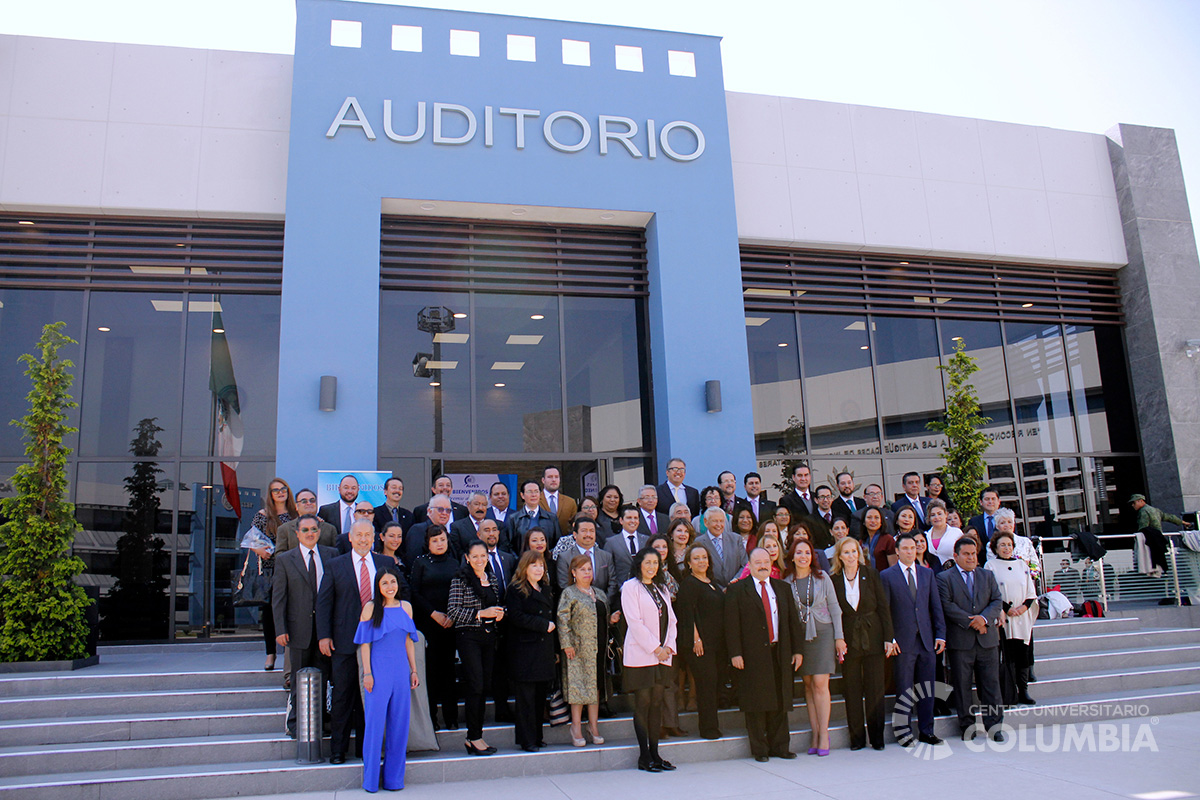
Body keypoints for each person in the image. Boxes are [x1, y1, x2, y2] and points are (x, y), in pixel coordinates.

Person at [316, 519, 406, 764]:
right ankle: (338, 750)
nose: (364, 539)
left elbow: (398, 598)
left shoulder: (386, 563)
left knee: (372, 698)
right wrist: (324, 635)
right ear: (350, 538)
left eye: (368, 534)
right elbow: (324, 603)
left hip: (379, 643)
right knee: (343, 696)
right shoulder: (335, 565)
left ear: (375, 537)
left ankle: (367, 749)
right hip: (344, 642)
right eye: (359, 535)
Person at [725, 547, 803, 762]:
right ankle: (760, 749)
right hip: (751, 655)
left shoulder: (782, 588)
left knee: (780, 699)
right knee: (756, 702)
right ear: (749, 565)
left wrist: (797, 650)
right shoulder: (738, 590)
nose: (763, 565)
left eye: (766, 561)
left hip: (780, 652)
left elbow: (793, 622)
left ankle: (780, 747)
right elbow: (731, 626)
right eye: (757, 562)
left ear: (772, 563)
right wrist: (735, 653)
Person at [272, 513, 336, 737]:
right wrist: (280, 629)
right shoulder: (285, 559)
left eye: (314, 530)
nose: (310, 533)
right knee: (299, 679)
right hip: (298, 630)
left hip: (325, 632)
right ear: (297, 533)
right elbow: (278, 598)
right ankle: (296, 723)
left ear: (319, 532)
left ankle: (320, 721)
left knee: (323, 678)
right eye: (305, 530)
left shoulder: (331, 556)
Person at [355, 570, 420, 793]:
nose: (390, 586)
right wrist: (367, 673)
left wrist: (413, 670)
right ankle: (371, 781)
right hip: (378, 673)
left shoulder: (406, 607)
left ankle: (394, 780)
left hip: (401, 672)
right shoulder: (371, 608)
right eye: (385, 582)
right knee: (374, 726)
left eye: (393, 582)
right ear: (378, 586)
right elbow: (364, 644)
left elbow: (409, 641)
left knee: (399, 726)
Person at [880, 533, 946, 746]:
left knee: (927, 687)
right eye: (906, 548)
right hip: (902, 641)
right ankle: (903, 732)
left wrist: (940, 634)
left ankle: (927, 731)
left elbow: (935, 606)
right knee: (904, 688)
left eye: (914, 547)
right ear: (897, 551)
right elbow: (885, 611)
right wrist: (889, 638)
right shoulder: (887, 575)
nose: (911, 551)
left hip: (926, 640)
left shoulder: (927, 574)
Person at [937, 537, 1005, 741]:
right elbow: (947, 605)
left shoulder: (987, 575)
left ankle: (994, 727)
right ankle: (967, 726)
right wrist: (971, 621)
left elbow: (996, 600)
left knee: (991, 685)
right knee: (962, 685)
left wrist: (983, 619)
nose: (971, 557)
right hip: (961, 641)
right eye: (966, 554)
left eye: (973, 554)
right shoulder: (944, 578)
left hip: (987, 639)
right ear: (956, 556)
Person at [830, 537, 894, 750]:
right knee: (852, 688)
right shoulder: (834, 578)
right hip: (848, 639)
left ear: (860, 554)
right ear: (839, 556)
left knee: (875, 688)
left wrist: (888, 638)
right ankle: (856, 739)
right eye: (846, 552)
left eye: (854, 551)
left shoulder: (871, 574)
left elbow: (884, 608)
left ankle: (877, 738)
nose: (851, 556)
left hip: (873, 635)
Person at [622, 547, 678, 772]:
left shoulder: (661, 588)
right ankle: (644, 757)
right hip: (641, 655)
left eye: (656, 563)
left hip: (662, 656)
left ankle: (656, 754)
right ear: (639, 564)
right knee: (643, 705)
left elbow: (672, 620)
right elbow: (634, 622)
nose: (652, 567)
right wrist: (656, 648)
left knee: (657, 705)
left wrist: (668, 647)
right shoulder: (630, 587)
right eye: (648, 562)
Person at [446, 541, 505, 755]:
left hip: (489, 637)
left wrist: (499, 613)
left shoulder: (493, 579)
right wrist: (481, 614)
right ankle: (473, 736)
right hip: (468, 636)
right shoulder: (459, 579)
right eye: (475, 556)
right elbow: (453, 611)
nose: (480, 560)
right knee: (475, 685)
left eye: (484, 556)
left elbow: (496, 604)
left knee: (484, 685)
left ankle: (476, 736)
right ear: (467, 558)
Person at [785, 537, 842, 756]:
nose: (803, 557)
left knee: (820, 683)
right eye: (799, 552)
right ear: (792, 556)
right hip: (800, 637)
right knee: (808, 685)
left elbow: (835, 608)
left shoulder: (822, 577)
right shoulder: (786, 580)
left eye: (807, 553)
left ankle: (824, 734)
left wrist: (840, 637)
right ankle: (815, 732)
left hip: (823, 633)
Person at [504, 551, 557, 752]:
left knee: (539, 697)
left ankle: (537, 736)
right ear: (524, 567)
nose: (538, 569)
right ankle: (527, 740)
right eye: (534, 565)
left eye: (541, 565)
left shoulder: (545, 588)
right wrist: (543, 624)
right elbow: (516, 617)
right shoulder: (516, 590)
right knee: (526, 698)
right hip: (524, 651)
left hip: (543, 650)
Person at [408, 524, 458, 731]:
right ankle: (432, 718)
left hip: (450, 624)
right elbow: (415, 593)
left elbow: (460, 591)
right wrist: (433, 614)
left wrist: (452, 616)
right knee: (431, 672)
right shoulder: (420, 563)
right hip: (428, 624)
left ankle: (452, 717)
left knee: (449, 671)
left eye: (442, 540)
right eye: (435, 540)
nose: (439, 544)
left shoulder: (456, 563)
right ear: (428, 543)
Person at [558, 553, 609, 747]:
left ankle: (593, 726)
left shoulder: (599, 593)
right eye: (582, 569)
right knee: (578, 688)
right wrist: (566, 644)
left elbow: (604, 614)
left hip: (598, 647)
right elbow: (563, 620)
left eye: (589, 569)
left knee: (595, 688)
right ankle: (576, 727)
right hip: (578, 649)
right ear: (573, 572)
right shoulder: (569, 593)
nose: (587, 573)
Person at [675, 544, 725, 739]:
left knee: (713, 684)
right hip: (700, 645)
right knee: (706, 685)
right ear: (688, 563)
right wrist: (696, 639)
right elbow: (687, 614)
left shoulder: (711, 582)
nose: (701, 561)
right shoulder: (689, 584)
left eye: (704, 557)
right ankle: (708, 728)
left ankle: (713, 725)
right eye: (696, 558)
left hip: (716, 644)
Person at [985, 529, 1038, 706]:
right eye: (1002, 545)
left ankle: (1023, 690)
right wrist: (1007, 608)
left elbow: (1031, 590)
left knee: (1023, 655)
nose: (1006, 548)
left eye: (1009, 544)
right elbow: (991, 591)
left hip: (1022, 617)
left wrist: (1023, 607)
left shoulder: (1022, 565)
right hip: (1004, 617)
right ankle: (1009, 692)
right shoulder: (990, 565)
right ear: (995, 547)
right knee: (1009, 656)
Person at [251, 477, 298, 671]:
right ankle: (271, 654)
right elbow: (251, 540)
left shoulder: (296, 514)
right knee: (269, 614)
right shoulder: (263, 515)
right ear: (270, 495)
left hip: (294, 569)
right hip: (271, 570)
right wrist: (259, 550)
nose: (280, 492)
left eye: (283, 489)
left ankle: (293, 654)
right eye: (276, 490)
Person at [1131, 492, 1194, 575]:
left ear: (1141, 501)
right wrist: (1184, 523)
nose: (1132, 505)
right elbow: (1170, 517)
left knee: (1151, 565)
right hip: (1159, 541)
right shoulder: (1155, 510)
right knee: (1165, 564)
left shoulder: (1143, 511)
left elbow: (1143, 528)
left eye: (1134, 502)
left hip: (1150, 543)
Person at [696, 506, 748, 587]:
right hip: (712, 592)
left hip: (736, 589)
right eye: (715, 521)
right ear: (706, 522)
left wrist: (734, 582)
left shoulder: (736, 539)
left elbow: (745, 565)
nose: (719, 525)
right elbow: (698, 571)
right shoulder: (698, 543)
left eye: (721, 521)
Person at [276, 488, 336, 553]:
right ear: (296, 506)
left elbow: (335, 555)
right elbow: (280, 555)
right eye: (304, 501)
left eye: (312, 500)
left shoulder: (330, 529)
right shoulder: (284, 529)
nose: (309, 503)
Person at [509, 479, 563, 549]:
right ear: (522, 495)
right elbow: (509, 545)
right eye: (529, 492)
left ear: (540, 494)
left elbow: (558, 543)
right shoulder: (514, 519)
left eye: (536, 491)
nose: (533, 495)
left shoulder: (551, 518)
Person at [604, 504, 649, 587]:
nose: (633, 521)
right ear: (621, 520)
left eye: (635, 518)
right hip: (620, 590)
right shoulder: (611, 542)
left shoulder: (646, 540)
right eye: (629, 518)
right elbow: (608, 570)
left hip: (644, 589)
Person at [407, 495, 455, 566]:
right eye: (440, 509)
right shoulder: (417, 530)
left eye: (448, 510)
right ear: (429, 511)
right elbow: (413, 560)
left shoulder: (448, 531)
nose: (444, 513)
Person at [540, 465, 578, 536]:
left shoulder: (570, 502)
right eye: (550, 477)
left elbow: (574, 526)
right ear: (543, 480)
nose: (554, 480)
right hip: (541, 543)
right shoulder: (535, 501)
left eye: (556, 477)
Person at [449, 492, 489, 558]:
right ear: (468, 505)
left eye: (484, 505)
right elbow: (457, 552)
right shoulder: (457, 527)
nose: (480, 508)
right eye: (476, 504)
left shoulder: (496, 525)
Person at [967, 486, 1004, 556]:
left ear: (999, 502)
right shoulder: (973, 522)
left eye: (993, 499)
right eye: (987, 499)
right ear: (981, 502)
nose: (990, 502)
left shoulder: (1006, 521)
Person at [862, 506, 897, 572]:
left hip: (884, 579)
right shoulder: (862, 542)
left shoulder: (888, 540)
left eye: (876, 518)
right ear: (864, 521)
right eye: (869, 517)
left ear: (881, 521)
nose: (873, 521)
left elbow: (893, 566)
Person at [927, 499, 963, 563]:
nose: (936, 517)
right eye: (933, 515)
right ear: (929, 518)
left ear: (946, 514)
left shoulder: (956, 533)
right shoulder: (926, 535)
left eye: (939, 514)